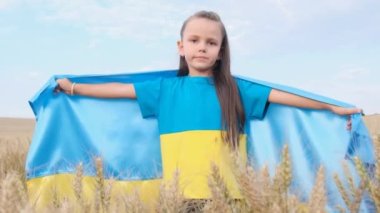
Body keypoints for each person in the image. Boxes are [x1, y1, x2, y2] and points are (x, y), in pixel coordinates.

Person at [55, 11, 360, 200]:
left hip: (230, 196)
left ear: (220, 50)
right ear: (181, 47)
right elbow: (119, 90)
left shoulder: (236, 89)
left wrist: (331, 108)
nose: (202, 46)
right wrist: (74, 88)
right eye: (195, 40)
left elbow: (284, 96)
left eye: (211, 43)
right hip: (180, 196)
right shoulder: (164, 89)